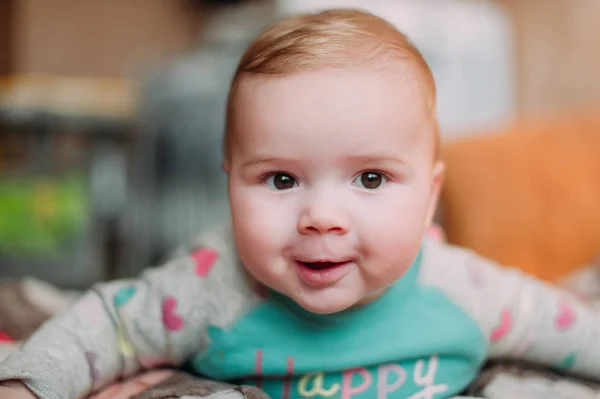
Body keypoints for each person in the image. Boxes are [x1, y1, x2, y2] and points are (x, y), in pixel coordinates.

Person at [1, 8, 599, 399]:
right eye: (282, 180)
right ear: (230, 182)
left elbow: (563, 326)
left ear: (429, 198)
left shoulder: (465, 289)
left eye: (369, 179)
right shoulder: (209, 289)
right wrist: (32, 383)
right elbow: (109, 322)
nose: (322, 217)